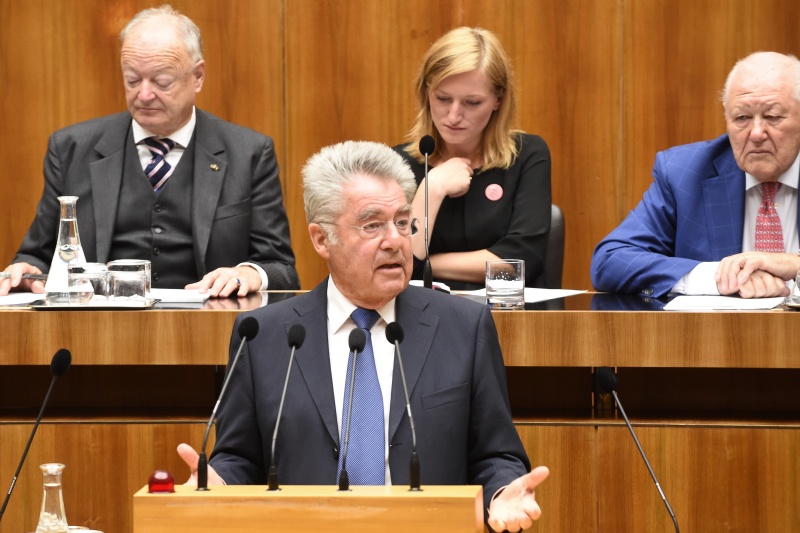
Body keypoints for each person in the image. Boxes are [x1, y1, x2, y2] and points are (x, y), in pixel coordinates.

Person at [177, 141, 549, 531]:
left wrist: (500, 493)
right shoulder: (265, 335)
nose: (394, 240)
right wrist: (217, 483)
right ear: (322, 239)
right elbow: (240, 458)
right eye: (372, 225)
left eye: (403, 222)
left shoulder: (463, 326)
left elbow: (496, 455)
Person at [0, 5, 298, 298]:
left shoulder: (249, 153)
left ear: (198, 76)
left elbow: (281, 269)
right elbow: (37, 257)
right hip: (96, 332)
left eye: (161, 81)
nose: (143, 94)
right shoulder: (71, 150)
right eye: (132, 80)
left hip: (211, 332)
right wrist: (26, 273)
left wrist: (248, 273)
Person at [592, 51, 800, 299]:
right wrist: (718, 278)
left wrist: (795, 265)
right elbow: (611, 260)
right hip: (717, 336)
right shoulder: (685, 173)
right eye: (742, 118)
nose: (756, 133)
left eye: (772, 116)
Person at [394, 27, 552, 290]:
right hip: (423, 320)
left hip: (508, 316)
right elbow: (394, 267)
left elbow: (521, 264)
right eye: (443, 98)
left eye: (472, 103)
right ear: (426, 93)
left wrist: (425, 265)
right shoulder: (397, 164)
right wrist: (431, 188)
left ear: (498, 100)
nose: (453, 116)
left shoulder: (528, 155)